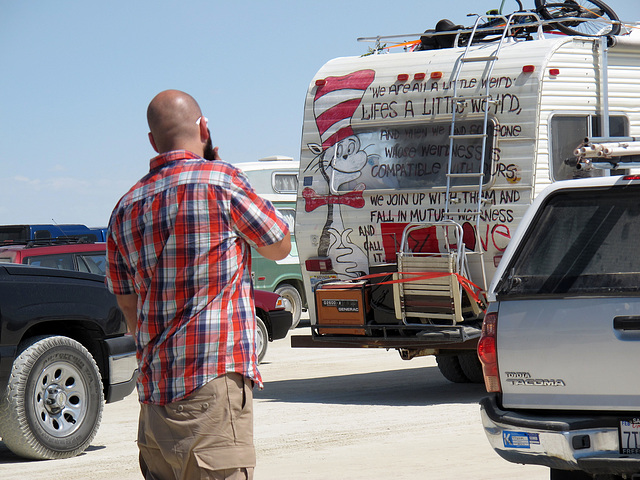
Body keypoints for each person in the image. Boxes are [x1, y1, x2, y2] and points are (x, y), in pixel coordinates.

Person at [105, 89, 291, 480]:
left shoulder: (124, 208)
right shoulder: (220, 181)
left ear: (153, 142)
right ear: (204, 128)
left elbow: (128, 310)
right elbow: (278, 244)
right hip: (211, 387)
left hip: (155, 403)